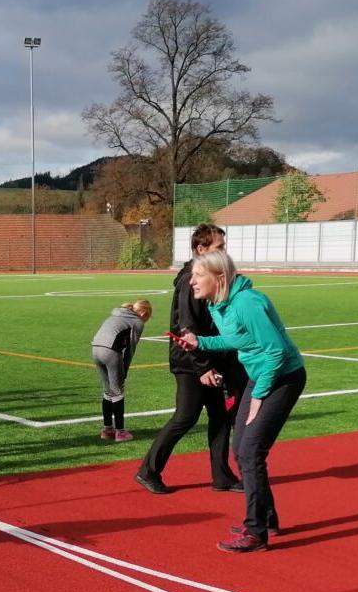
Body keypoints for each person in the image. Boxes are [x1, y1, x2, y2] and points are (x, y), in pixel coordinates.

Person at [178, 251, 306, 554]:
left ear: (218, 278)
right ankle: (267, 518)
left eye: (198, 275)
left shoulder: (246, 303)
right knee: (241, 449)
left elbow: (275, 351)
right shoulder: (218, 305)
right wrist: (202, 343)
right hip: (259, 374)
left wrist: (260, 395)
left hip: (282, 377)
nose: (191, 281)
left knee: (250, 451)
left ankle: (255, 532)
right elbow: (238, 340)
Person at [136, 225, 242, 495]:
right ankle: (148, 470)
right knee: (186, 417)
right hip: (190, 362)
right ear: (200, 249)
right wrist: (203, 367)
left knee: (220, 416)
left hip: (209, 358)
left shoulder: (209, 277)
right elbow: (187, 328)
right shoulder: (189, 281)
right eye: (219, 248)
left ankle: (222, 476)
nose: (224, 252)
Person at [90, 298, 152, 441]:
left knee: (108, 391)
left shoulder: (117, 314)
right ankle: (120, 432)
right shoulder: (137, 322)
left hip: (95, 349)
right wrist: (124, 370)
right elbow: (130, 349)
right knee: (117, 392)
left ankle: (107, 430)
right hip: (110, 351)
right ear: (143, 312)